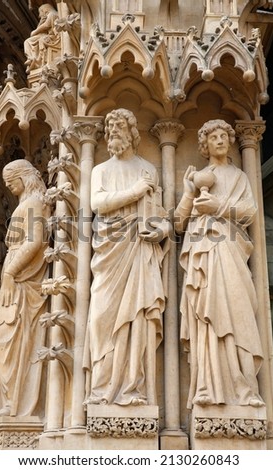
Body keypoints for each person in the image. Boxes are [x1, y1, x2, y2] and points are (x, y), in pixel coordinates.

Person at [174, 119, 264, 408]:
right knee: (207, 318)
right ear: (205, 144)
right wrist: (189, 192)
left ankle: (245, 387)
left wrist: (218, 207)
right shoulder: (198, 178)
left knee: (239, 314)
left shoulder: (239, 177)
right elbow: (178, 222)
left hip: (232, 249)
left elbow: (250, 212)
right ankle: (208, 387)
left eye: (224, 135)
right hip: (204, 252)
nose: (221, 140)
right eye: (214, 136)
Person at [83, 108, 170, 406]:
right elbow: (98, 203)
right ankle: (102, 387)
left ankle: (133, 387)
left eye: (119, 126)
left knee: (137, 316)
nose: (113, 132)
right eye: (110, 128)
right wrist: (134, 192)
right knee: (101, 316)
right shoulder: (100, 170)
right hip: (109, 253)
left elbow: (157, 213)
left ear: (132, 132)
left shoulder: (148, 169)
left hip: (139, 252)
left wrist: (161, 230)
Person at [0, 160, 50, 418]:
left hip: (23, 282)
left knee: (11, 340)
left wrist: (12, 272)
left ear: (23, 177)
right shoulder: (27, 204)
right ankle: (10, 403)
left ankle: (17, 406)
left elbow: (36, 241)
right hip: (14, 280)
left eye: (10, 180)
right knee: (4, 342)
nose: (7, 185)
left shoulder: (33, 204)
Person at [24, 3, 59, 72]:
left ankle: (39, 60)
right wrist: (40, 23)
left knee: (42, 40)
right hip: (49, 36)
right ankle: (32, 58)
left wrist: (34, 31)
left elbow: (46, 25)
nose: (39, 16)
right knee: (27, 41)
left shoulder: (52, 14)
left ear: (45, 10)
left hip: (54, 38)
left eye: (40, 12)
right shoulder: (49, 15)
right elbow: (42, 30)